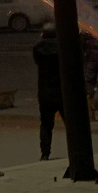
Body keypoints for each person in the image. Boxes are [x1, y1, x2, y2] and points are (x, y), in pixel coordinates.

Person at [34, 22, 64, 160]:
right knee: (70, 122)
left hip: (45, 90)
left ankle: (45, 153)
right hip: (62, 89)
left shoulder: (38, 49)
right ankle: (74, 148)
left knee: (46, 124)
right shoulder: (62, 47)